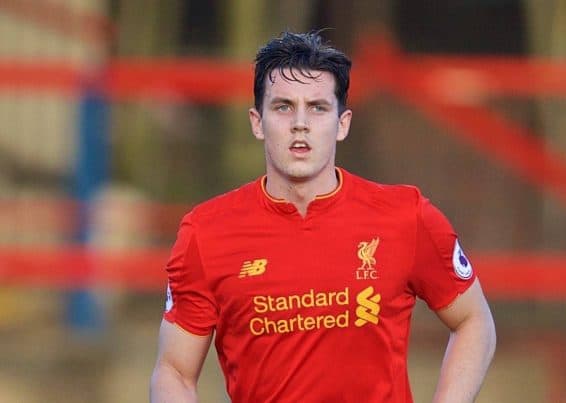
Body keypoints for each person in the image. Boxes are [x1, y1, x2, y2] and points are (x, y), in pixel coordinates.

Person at [150, 31, 496, 403]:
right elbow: (174, 371)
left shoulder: (406, 217)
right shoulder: (206, 232)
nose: (301, 123)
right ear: (257, 122)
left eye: (317, 107)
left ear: (342, 123)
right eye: (283, 107)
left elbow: (474, 321)